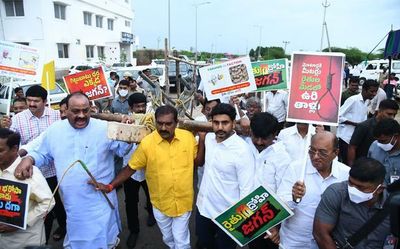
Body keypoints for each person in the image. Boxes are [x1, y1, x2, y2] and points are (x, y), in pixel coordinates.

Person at [14, 92, 130, 248]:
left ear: (91, 109)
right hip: (72, 201)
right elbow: (41, 152)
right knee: (77, 236)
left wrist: (129, 130)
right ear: (65, 110)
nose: (81, 115)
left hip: (100, 198)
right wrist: (29, 159)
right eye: (76, 111)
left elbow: (123, 150)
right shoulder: (55, 130)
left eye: (85, 111)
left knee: (104, 237)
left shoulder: (105, 128)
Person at [94, 105, 204, 249]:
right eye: (160, 123)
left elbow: (199, 162)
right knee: (169, 238)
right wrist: (111, 185)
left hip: (183, 201)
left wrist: (201, 140)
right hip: (160, 203)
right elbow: (130, 168)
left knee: (181, 241)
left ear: (176, 123)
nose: (163, 127)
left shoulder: (187, 138)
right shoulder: (147, 143)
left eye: (168, 124)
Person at [6, 85, 67, 243]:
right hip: (29, 173)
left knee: (59, 204)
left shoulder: (56, 116)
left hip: (54, 170)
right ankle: (43, 240)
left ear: (45, 102)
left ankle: (63, 227)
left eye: (36, 101)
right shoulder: (18, 119)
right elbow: (13, 145)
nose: (31, 104)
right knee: (38, 207)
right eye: (29, 100)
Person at [196, 103, 255, 249]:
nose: (220, 127)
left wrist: (240, 223)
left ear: (234, 123)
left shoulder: (242, 151)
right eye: (216, 123)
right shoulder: (209, 138)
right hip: (203, 208)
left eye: (225, 123)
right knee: (204, 244)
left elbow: (246, 190)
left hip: (228, 216)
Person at [277, 131, 349, 249]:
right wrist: (294, 198)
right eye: (312, 151)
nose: (315, 156)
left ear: (336, 153)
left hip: (328, 243)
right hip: (294, 242)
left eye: (322, 153)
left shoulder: (345, 175)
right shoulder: (296, 169)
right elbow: (279, 206)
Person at [313, 158, 389, 249]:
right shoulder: (337, 193)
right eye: (350, 183)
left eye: (361, 187)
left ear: (379, 189)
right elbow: (321, 234)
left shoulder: (393, 206)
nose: (353, 189)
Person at [0, 128, 55, 249]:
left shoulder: (30, 173)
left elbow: (48, 202)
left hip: (25, 241)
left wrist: (20, 222)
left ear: (14, 149)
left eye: (0, 151)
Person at [246, 112, 291, 249]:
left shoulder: (282, 157)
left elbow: (284, 193)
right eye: (256, 137)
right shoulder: (245, 146)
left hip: (269, 218)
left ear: (274, 134)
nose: (259, 142)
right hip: (245, 214)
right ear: (250, 132)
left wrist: (275, 224)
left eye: (264, 138)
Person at [122, 92, 156, 248]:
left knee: (152, 195)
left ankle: (151, 213)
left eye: (143, 106)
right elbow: (119, 148)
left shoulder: (152, 119)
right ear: (131, 108)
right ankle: (134, 230)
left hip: (149, 167)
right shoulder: (124, 121)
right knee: (130, 201)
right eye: (137, 107)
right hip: (130, 169)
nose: (140, 109)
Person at [337, 79, 379, 163]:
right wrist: (355, 124)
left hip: (357, 139)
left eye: (375, 92)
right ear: (364, 89)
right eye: (372, 91)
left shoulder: (367, 102)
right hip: (346, 138)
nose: (374, 94)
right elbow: (338, 116)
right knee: (346, 163)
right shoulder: (353, 100)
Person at [347, 99, 399, 166]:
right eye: (389, 114)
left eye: (394, 115)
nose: (392, 117)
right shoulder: (364, 126)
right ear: (379, 111)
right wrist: (351, 167)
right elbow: (352, 147)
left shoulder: (394, 127)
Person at [194, 98, 220, 189]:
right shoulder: (198, 120)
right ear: (203, 110)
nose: (211, 112)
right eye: (208, 109)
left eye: (214, 109)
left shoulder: (223, 124)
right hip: (203, 171)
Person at [368, 118, 400, 185]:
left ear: (396, 136)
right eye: (378, 140)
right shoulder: (374, 146)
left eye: (383, 141)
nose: (380, 144)